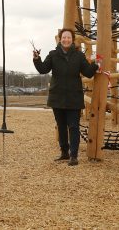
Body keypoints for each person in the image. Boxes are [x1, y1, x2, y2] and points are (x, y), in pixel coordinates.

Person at [33, 28, 98, 166]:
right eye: (64, 37)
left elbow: (88, 73)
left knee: (73, 127)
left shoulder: (79, 56)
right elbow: (43, 69)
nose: (66, 40)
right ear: (60, 39)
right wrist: (37, 59)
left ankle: (73, 156)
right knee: (61, 126)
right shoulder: (53, 54)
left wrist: (95, 65)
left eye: (69, 37)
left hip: (74, 97)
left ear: (72, 40)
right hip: (57, 97)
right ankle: (64, 152)